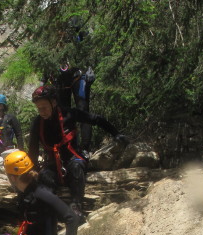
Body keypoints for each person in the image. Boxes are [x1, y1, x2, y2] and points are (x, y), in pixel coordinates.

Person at [28, 85, 128, 216]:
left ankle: (76, 206)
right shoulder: (37, 123)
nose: (42, 112)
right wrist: (33, 169)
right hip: (53, 163)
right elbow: (33, 148)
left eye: (44, 107)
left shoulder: (69, 114)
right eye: (39, 108)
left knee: (76, 167)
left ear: (53, 102)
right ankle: (50, 211)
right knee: (45, 177)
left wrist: (116, 134)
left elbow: (96, 119)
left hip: (73, 158)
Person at [41, 63, 96, 154]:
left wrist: (89, 67)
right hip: (58, 77)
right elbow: (46, 56)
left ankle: (85, 148)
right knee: (63, 114)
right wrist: (43, 80)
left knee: (83, 110)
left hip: (78, 75)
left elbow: (85, 50)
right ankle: (68, 148)